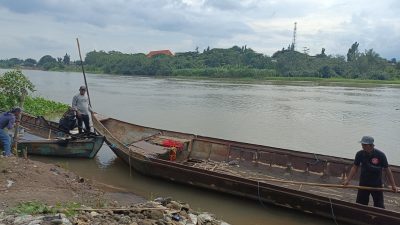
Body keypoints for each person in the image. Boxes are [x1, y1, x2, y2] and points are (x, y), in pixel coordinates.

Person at [343, 136, 397, 208]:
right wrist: (347, 180)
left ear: (371, 145)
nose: (363, 146)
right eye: (362, 144)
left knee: (379, 206)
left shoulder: (380, 155)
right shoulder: (359, 154)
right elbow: (354, 167)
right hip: (363, 183)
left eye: (365, 145)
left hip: (377, 184)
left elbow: (387, 170)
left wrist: (393, 185)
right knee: (360, 205)